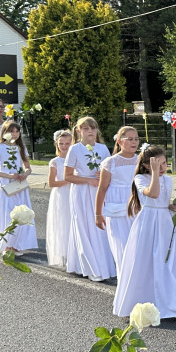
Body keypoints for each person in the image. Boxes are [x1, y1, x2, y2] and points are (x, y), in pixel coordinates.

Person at [112, 145, 176, 322]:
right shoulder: (140, 178)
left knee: (170, 262)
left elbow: (161, 201)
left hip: (165, 223)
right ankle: (138, 304)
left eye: (164, 163)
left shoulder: (167, 179)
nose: (162, 168)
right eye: (157, 164)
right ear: (146, 165)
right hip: (148, 224)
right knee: (145, 263)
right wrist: (153, 173)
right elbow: (153, 193)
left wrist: (171, 207)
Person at [64, 117, 115, 281]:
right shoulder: (74, 149)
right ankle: (89, 265)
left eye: (93, 128)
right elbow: (68, 176)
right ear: (79, 131)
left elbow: (110, 171)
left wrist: (103, 176)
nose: (90, 131)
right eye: (86, 129)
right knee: (85, 226)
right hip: (82, 192)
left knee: (101, 226)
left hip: (99, 191)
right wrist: (88, 180)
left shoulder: (102, 148)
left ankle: (104, 264)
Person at [0, 120, 37, 255]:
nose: (14, 134)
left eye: (17, 131)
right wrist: (8, 175)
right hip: (5, 183)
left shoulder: (21, 148)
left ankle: (18, 244)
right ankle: (7, 244)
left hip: (19, 184)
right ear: (4, 133)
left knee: (22, 212)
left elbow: (28, 167)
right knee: (7, 213)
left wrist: (25, 174)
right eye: (11, 131)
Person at [95, 126, 140, 275]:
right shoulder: (110, 162)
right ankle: (124, 284)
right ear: (120, 142)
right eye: (130, 139)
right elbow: (102, 189)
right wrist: (98, 214)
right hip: (117, 211)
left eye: (136, 139)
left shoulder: (141, 160)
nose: (134, 142)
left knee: (138, 250)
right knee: (122, 250)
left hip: (137, 209)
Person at [46, 130, 73, 269]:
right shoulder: (55, 162)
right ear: (57, 144)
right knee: (63, 222)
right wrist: (69, 181)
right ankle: (64, 253)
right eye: (61, 143)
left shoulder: (75, 159)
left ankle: (74, 251)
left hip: (74, 193)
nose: (64, 146)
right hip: (61, 194)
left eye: (67, 143)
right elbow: (52, 183)